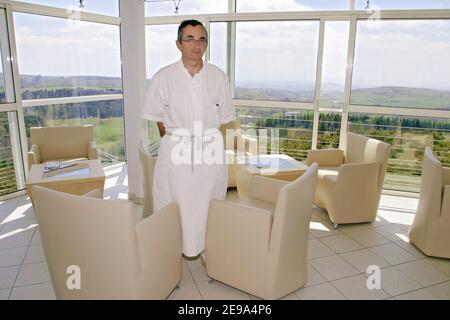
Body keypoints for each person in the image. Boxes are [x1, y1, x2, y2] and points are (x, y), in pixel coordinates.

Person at [143, 20, 235, 259]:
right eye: (190, 39)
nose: (197, 45)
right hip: (177, 149)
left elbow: (224, 117)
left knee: (209, 201)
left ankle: (208, 250)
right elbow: (157, 116)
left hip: (210, 149)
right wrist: (175, 140)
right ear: (178, 44)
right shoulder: (164, 77)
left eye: (202, 39)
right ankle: (172, 250)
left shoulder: (218, 76)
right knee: (176, 201)